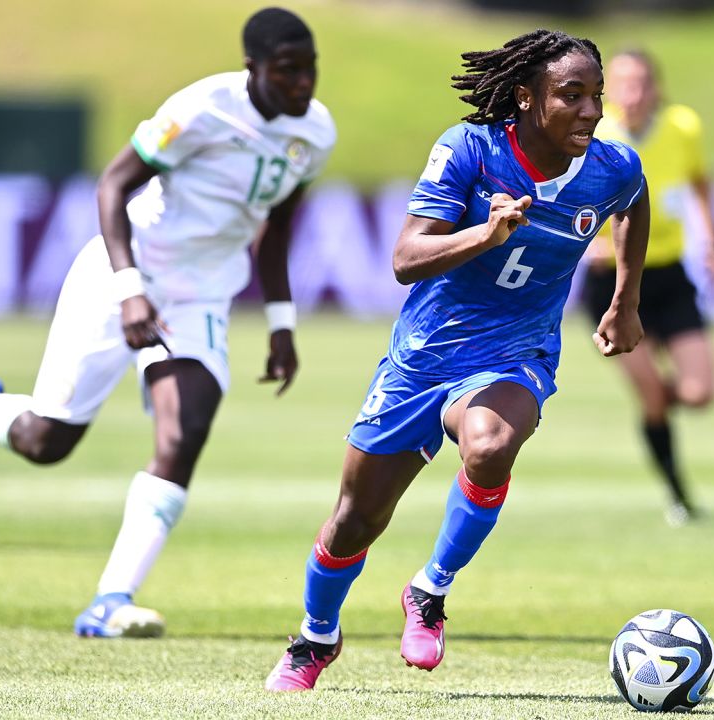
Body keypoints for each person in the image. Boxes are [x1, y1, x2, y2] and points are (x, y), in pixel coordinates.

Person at [0, 7, 335, 637]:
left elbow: (276, 230)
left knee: (183, 434)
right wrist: (131, 290)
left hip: (201, 299)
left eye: (309, 69)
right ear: (251, 67)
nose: (302, 84)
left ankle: (109, 602)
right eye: (287, 71)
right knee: (46, 443)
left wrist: (281, 323)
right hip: (125, 273)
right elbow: (113, 185)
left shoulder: (317, 132)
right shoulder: (201, 107)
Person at [263, 29, 648, 692]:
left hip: (515, 352)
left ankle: (429, 591)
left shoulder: (613, 169)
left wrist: (625, 300)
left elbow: (634, 204)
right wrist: (486, 233)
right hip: (424, 357)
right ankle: (315, 638)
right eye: (572, 95)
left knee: (491, 443)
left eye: (596, 96)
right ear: (526, 98)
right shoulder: (469, 149)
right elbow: (406, 259)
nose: (590, 110)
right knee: (355, 519)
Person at [582, 49, 714, 527]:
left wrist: (710, 241)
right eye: (623, 83)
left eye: (642, 82)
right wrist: (587, 249)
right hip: (612, 285)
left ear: (657, 88)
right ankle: (678, 497)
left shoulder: (682, 126)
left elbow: (700, 184)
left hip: (669, 276)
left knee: (699, 393)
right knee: (651, 395)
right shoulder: (593, 132)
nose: (633, 93)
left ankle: (653, 399)